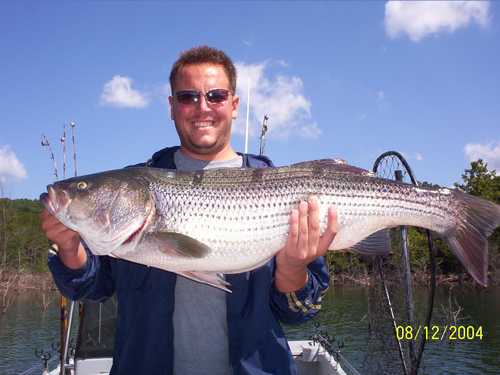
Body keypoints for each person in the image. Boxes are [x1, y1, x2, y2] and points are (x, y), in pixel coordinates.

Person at [41, 46, 337, 375]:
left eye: (216, 96)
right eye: (187, 97)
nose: (202, 107)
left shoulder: (288, 189)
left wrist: (293, 268)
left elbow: (300, 311)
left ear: (234, 105)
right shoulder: (137, 182)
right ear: (171, 106)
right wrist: (69, 249)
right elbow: (91, 288)